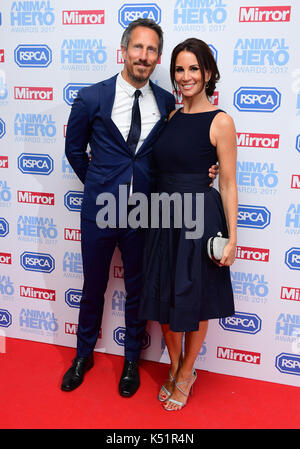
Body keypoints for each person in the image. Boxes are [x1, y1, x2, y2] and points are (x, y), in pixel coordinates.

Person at [62, 20, 218, 398]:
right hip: (101, 210)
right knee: (93, 286)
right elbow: (73, 151)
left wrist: (206, 170)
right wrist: (101, 184)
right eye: (137, 48)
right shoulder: (91, 98)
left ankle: (132, 359)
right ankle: (82, 356)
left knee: (138, 289)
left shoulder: (167, 102)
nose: (143, 57)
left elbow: (178, 148)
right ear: (124, 50)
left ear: (158, 58)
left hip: (146, 213)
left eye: (151, 51)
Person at [138, 38, 237, 410]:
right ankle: (180, 367)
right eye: (180, 69)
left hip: (200, 219)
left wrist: (232, 238)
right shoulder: (171, 117)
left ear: (208, 73)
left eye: (194, 68)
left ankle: (185, 372)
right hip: (163, 217)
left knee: (192, 303)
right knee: (164, 303)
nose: (186, 76)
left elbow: (227, 181)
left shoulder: (221, 121)